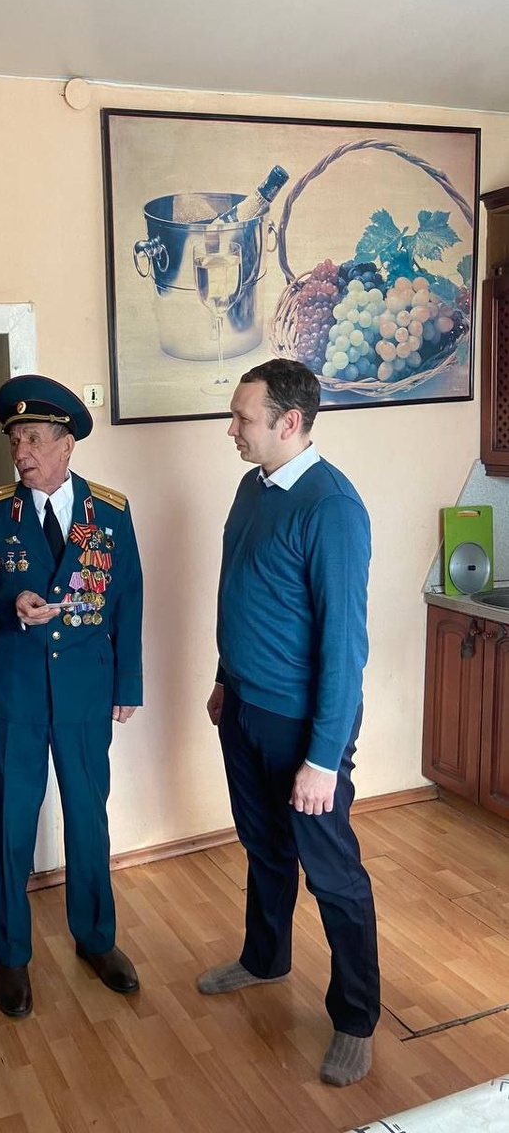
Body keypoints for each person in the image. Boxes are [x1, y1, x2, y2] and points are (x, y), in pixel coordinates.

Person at [199, 358, 379, 1088]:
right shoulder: (255, 486)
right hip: (245, 707)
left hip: (303, 728)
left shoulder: (331, 509)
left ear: (290, 422)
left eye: (243, 418)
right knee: (264, 847)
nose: (232, 430)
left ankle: (356, 1019)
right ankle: (265, 958)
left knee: (332, 874)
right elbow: (241, 589)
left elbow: (345, 647)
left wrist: (324, 758)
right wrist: (224, 678)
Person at [0, 374, 143, 1018]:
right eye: (15, 439)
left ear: (67, 443)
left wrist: (128, 683)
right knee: (12, 822)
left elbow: (128, 598)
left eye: (34, 438)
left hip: (87, 690)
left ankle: (97, 939)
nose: (22, 452)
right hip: (17, 693)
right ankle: (11, 954)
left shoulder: (110, 512)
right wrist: (11, 602)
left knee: (88, 817)